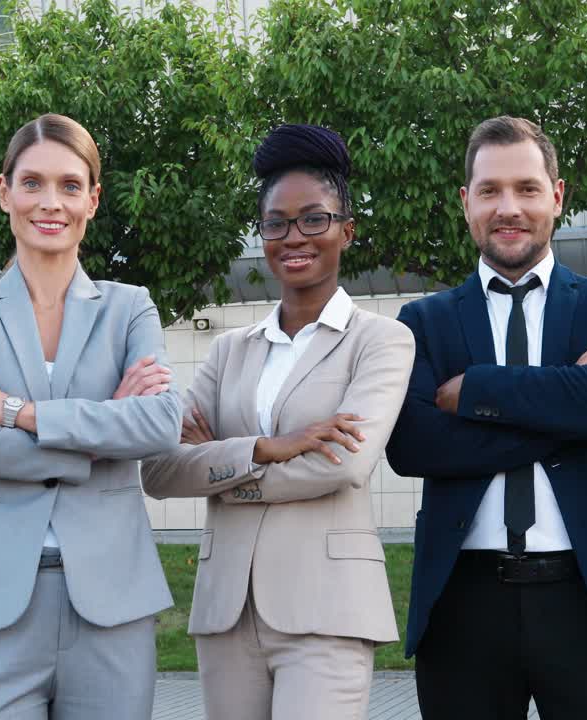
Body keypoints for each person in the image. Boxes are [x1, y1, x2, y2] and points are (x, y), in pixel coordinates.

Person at [385, 116, 587, 719]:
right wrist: (573, 401)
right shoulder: (424, 322)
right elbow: (415, 447)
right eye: (490, 190)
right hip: (463, 605)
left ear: (556, 196)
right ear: (465, 202)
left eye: (527, 188)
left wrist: (477, 390)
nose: (509, 207)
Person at [141, 124, 415, 720]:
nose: (294, 237)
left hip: (326, 610)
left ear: (347, 228)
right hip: (226, 612)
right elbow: (160, 468)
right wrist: (270, 448)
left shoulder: (382, 341)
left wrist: (221, 461)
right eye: (276, 222)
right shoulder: (230, 350)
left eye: (314, 219)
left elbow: (342, 465)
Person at [0, 113, 182, 720]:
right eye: (32, 182)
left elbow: (161, 425)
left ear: (93, 199)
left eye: (70, 185)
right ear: (4, 190)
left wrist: (12, 410)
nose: (50, 202)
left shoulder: (130, 307)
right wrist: (104, 427)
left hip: (111, 600)